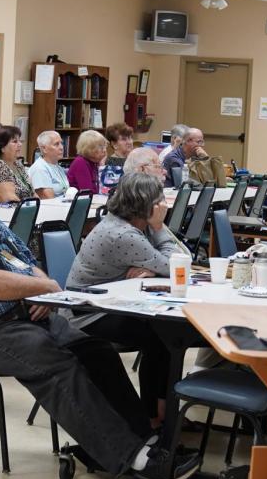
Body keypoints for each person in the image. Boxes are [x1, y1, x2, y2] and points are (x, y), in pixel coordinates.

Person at [0, 143, 200, 479]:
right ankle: (136, 462)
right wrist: (43, 288)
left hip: (24, 316)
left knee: (97, 353)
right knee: (59, 364)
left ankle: (145, 439)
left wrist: (41, 288)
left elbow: (24, 259)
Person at [68, 173, 194, 425]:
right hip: (86, 313)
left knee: (165, 333)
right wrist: (159, 229)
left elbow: (182, 256)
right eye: (159, 202)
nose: (164, 206)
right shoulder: (123, 234)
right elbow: (178, 265)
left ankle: (162, 411)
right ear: (146, 205)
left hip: (111, 303)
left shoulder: (130, 226)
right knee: (163, 335)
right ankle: (156, 415)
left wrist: (153, 264)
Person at [0, 125, 30, 203]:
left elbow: (32, 193)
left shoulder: (18, 164)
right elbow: (9, 200)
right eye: (15, 141)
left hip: (25, 209)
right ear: (2, 147)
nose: (20, 144)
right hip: (6, 213)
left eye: (19, 141)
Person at [27, 130, 68, 199]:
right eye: (56, 144)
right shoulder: (39, 168)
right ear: (44, 149)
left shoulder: (58, 167)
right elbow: (48, 199)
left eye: (61, 143)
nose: (61, 147)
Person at [68, 130, 106, 194]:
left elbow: (103, 189)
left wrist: (101, 165)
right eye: (101, 147)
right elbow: (88, 191)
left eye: (104, 146)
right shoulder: (80, 162)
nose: (104, 150)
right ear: (89, 149)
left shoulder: (94, 162)